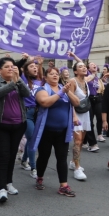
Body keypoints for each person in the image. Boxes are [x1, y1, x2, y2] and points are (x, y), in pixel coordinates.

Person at [30, 67, 80, 196]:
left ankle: (63, 185)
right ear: (45, 78)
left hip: (63, 131)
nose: (55, 76)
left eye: (56, 74)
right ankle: (39, 178)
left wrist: (67, 92)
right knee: (44, 156)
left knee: (62, 158)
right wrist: (61, 93)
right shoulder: (42, 89)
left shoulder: (64, 89)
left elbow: (77, 103)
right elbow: (44, 102)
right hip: (46, 130)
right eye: (51, 74)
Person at [0, 57, 30, 203]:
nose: (11, 69)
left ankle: (9, 183)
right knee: (2, 155)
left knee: (12, 155)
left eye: (13, 66)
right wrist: (12, 83)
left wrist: (18, 80)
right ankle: (1, 189)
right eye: (7, 67)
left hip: (18, 125)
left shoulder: (17, 81)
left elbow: (27, 94)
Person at [20, 57, 44, 178]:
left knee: (31, 140)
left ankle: (24, 161)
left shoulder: (39, 81)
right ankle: (34, 168)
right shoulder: (23, 79)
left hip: (38, 113)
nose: (35, 68)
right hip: (26, 113)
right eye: (31, 66)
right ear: (26, 70)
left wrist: (39, 64)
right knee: (33, 139)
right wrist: (27, 59)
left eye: (36, 66)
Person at [69, 61, 91, 180]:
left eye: (84, 66)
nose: (84, 68)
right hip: (76, 113)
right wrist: (73, 116)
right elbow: (69, 99)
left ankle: (73, 162)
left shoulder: (86, 81)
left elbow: (94, 73)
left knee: (81, 140)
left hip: (85, 113)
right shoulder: (73, 81)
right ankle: (77, 169)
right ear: (75, 71)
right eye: (80, 66)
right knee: (77, 141)